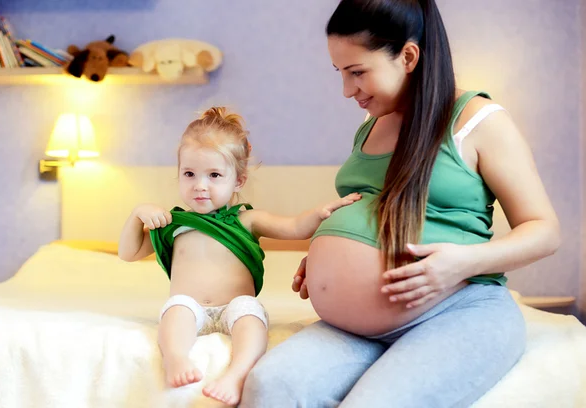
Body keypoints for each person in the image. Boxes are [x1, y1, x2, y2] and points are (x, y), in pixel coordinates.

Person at [240, 0, 560, 407]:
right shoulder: (369, 128)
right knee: (270, 387)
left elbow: (544, 231)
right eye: (340, 72)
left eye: (357, 72)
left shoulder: (478, 120)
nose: (346, 90)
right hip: (357, 328)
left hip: (457, 310)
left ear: (408, 56)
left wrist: (461, 262)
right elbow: (371, 210)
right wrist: (326, 258)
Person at [117, 107, 360, 406]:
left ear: (239, 181)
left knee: (250, 313)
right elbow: (128, 253)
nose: (200, 185)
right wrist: (137, 214)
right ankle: (176, 359)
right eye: (189, 173)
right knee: (175, 309)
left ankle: (238, 372)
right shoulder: (175, 223)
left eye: (215, 175)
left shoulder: (247, 220)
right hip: (192, 308)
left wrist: (322, 212)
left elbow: (295, 227)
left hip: (234, 305)